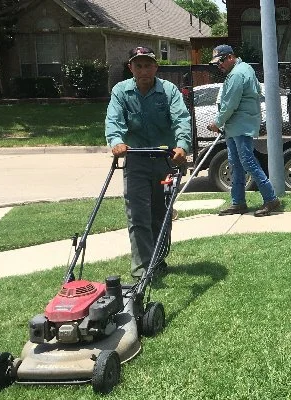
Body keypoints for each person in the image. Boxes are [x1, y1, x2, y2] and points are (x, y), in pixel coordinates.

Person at [105, 46, 191, 280]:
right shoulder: (121, 92)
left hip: (165, 161)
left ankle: (158, 260)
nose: (143, 70)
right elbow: (114, 121)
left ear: (156, 67)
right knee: (138, 215)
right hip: (136, 161)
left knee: (160, 215)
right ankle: (142, 270)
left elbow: (181, 119)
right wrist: (116, 141)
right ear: (130, 67)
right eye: (138, 65)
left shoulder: (169, 91)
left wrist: (182, 146)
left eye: (148, 65)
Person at [207, 44, 282, 217]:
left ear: (231, 57)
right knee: (236, 164)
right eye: (217, 62)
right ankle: (238, 203)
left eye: (221, 60)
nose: (220, 65)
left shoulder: (237, 74)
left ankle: (271, 199)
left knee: (247, 161)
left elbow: (229, 104)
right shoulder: (244, 68)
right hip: (236, 126)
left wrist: (217, 122)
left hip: (241, 125)